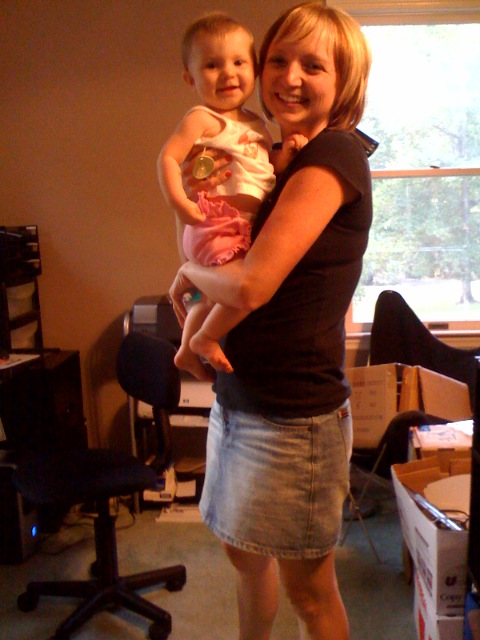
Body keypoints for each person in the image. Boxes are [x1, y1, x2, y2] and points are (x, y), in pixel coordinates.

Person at [169, 3, 372, 639]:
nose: (289, 77)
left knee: (309, 592)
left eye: (313, 65)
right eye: (278, 60)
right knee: (244, 556)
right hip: (242, 396)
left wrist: (188, 270)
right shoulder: (279, 154)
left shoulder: (333, 157)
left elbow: (251, 285)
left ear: (344, 80)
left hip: (292, 416)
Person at [158, 12, 306, 381]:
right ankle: (205, 339)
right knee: (247, 287)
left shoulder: (257, 123)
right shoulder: (202, 118)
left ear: (253, 70)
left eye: (239, 62)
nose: (228, 73)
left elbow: (260, 168)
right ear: (190, 78)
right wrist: (179, 201)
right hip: (217, 223)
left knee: (213, 296)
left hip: (239, 226)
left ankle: (185, 350)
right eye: (212, 65)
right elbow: (168, 158)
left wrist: (285, 157)